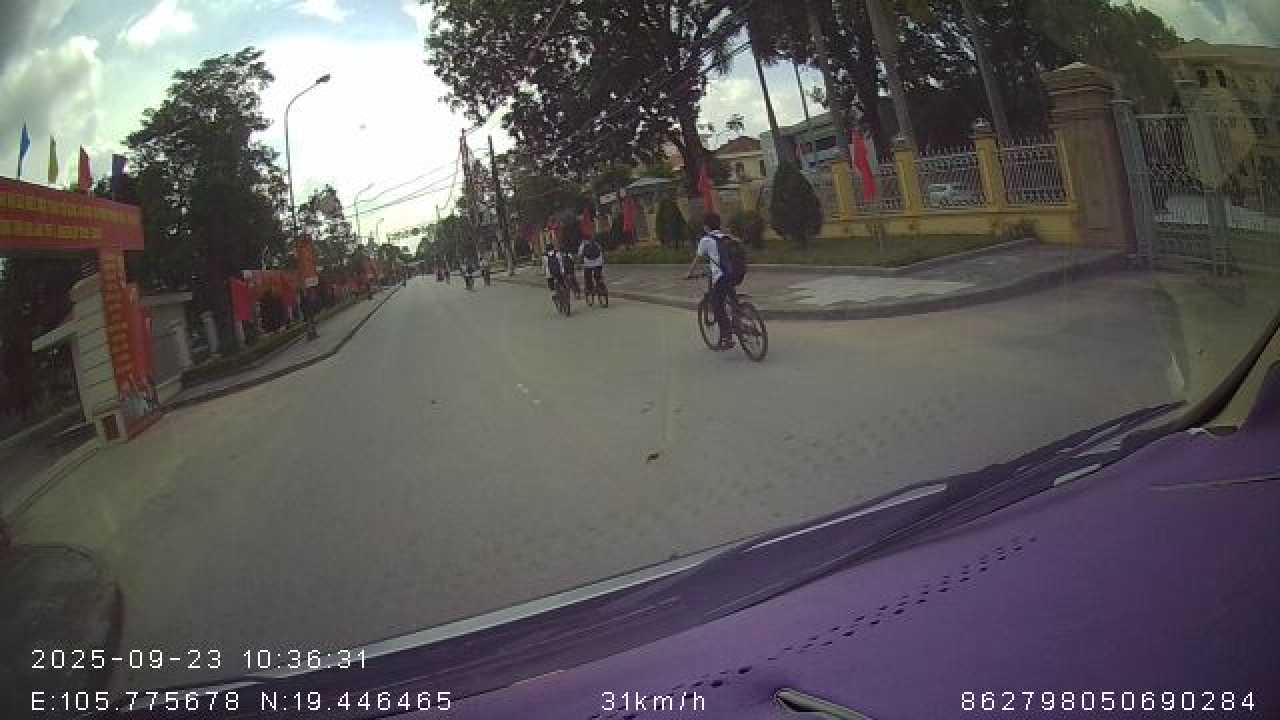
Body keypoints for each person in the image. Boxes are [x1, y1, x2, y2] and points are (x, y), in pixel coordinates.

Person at [687, 212, 735, 350]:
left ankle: (726, 337)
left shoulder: (706, 240)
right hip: (735, 273)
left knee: (717, 305)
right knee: (732, 300)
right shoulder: (726, 236)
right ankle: (741, 316)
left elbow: (697, 259)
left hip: (721, 277)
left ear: (706, 227)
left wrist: (689, 273)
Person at [577, 233, 605, 297]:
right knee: (598, 276)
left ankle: (590, 289)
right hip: (598, 262)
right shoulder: (596, 243)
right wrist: (603, 261)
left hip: (588, 264)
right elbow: (601, 251)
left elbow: (580, 256)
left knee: (587, 277)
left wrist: (578, 264)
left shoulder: (583, 245)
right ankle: (601, 285)